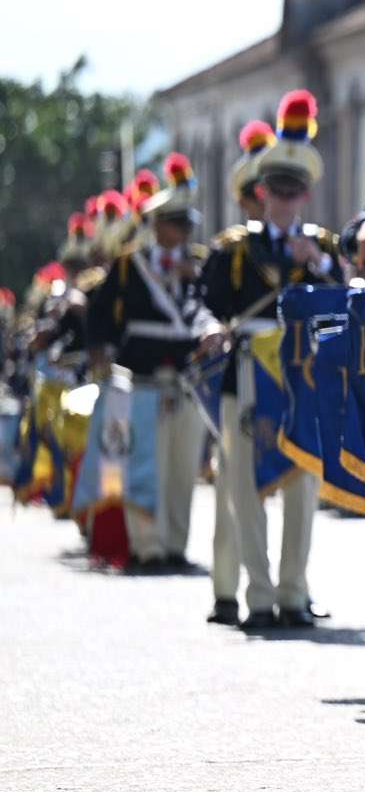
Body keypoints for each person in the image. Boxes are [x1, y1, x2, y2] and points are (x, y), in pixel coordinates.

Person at [194, 91, 345, 630]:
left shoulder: (321, 244)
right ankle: (256, 595)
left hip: (300, 378)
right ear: (262, 192)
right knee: (243, 486)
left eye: (294, 190)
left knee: (302, 487)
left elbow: (344, 301)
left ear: (304, 194)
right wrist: (209, 326)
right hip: (247, 376)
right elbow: (203, 304)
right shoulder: (232, 249)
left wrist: (320, 263)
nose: (284, 199)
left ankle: (293, 591)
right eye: (276, 190)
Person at [85, 154, 207, 573]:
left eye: (187, 224)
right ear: (158, 225)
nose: (184, 232)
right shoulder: (129, 265)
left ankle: (175, 546)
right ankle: (147, 547)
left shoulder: (200, 265)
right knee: (143, 466)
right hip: (141, 379)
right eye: (177, 224)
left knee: (181, 468)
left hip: (186, 379)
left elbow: (209, 312)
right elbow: (99, 314)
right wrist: (100, 348)